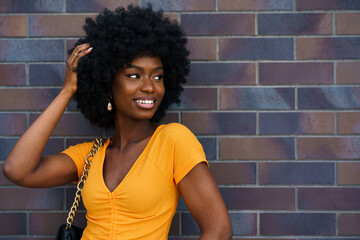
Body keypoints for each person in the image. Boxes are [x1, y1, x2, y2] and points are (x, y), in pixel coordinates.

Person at [3, 4, 232, 240]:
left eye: (158, 76)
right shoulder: (91, 155)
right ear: (108, 84)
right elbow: (17, 170)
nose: (149, 86)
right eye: (134, 75)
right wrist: (67, 90)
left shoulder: (173, 141)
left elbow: (219, 229)